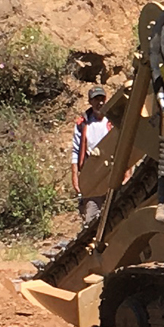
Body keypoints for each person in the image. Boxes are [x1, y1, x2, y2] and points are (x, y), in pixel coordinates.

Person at [71, 86, 113, 228]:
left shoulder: (112, 121)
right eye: (96, 99)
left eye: (102, 99)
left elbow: (125, 145)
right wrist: (76, 177)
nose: (99, 103)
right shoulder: (83, 124)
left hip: (112, 174)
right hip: (92, 175)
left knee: (114, 213)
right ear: (90, 101)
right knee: (90, 217)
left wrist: (127, 174)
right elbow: (76, 151)